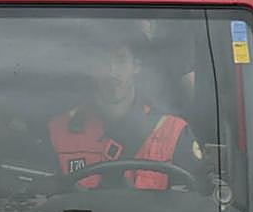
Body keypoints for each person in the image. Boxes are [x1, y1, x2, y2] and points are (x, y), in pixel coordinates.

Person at [48, 25, 207, 190]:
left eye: (121, 60)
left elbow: (194, 206)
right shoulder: (59, 130)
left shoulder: (174, 133)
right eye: (102, 61)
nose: (112, 72)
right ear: (90, 68)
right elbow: (40, 200)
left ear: (136, 66)